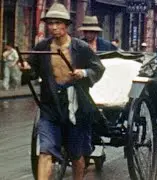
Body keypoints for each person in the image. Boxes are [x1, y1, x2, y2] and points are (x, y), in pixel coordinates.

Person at [18, 3, 105, 180]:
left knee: (77, 154)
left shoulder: (80, 47)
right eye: (50, 23)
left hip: (76, 106)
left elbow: (98, 68)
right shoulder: (42, 47)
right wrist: (26, 69)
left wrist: (83, 73)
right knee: (45, 151)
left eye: (58, 23)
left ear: (66, 25)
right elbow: (33, 71)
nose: (54, 27)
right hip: (50, 106)